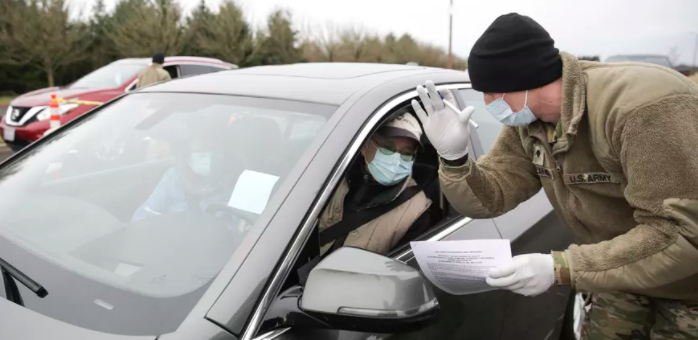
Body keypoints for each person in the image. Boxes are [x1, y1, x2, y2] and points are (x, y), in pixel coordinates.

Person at [412, 13, 698, 340]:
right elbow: (490, 198)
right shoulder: (529, 126)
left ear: (523, 78)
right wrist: (455, 160)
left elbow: (683, 235)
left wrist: (561, 267)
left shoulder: (644, 108)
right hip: (620, 276)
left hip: (690, 287)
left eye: (490, 92)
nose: (487, 103)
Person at [319, 112, 433, 256]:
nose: (396, 160)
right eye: (387, 148)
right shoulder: (332, 179)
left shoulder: (417, 212)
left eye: (406, 153)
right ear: (365, 146)